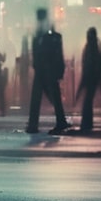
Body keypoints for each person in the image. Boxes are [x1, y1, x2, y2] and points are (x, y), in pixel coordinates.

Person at [26, 7, 70, 135]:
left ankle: (34, 124)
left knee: (38, 98)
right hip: (47, 70)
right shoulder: (48, 34)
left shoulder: (40, 34)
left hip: (44, 69)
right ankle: (59, 121)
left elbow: (39, 52)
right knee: (52, 96)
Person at [74, 27, 101, 134]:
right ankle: (88, 123)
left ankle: (86, 123)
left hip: (89, 77)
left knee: (87, 101)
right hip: (92, 77)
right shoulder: (95, 47)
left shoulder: (90, 48)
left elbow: (89, 64)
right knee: (88, 101)